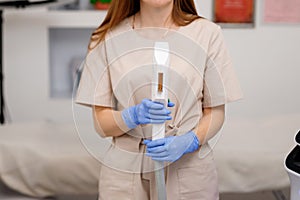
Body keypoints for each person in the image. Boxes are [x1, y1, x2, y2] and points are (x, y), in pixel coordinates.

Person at [75, 0, 242, 199]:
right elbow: (101, 125)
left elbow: (215, 113)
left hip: (189, 170)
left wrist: (191, 140)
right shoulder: (105, 38)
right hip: (124, 175)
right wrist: (132, 116)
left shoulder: (207, 34)